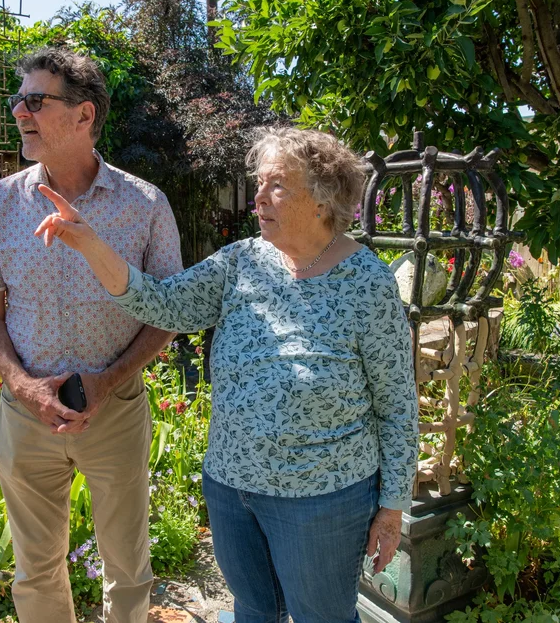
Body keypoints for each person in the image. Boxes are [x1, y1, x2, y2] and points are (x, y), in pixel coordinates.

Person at [35, 127, 420, 623]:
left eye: (276, 185)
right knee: (254, 611)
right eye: (259, 183)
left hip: (322, 498)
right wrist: (89, 243)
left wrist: (391, 510)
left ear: (324, 200)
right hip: (232, 486)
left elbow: (397, 404)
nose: (258, 196)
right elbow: (162, 302)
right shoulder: (241, 262)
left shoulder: (366, 281)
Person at [0, 46, 183, 623]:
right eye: (18, 100)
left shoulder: (145, 205)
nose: (18, 113)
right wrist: (23, 387)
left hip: (115, 411)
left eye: (35, 100)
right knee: (34, 570)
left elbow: (168, 312)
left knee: (128, 569)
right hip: (25, 414)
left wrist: (107, 382)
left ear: (84, 116)